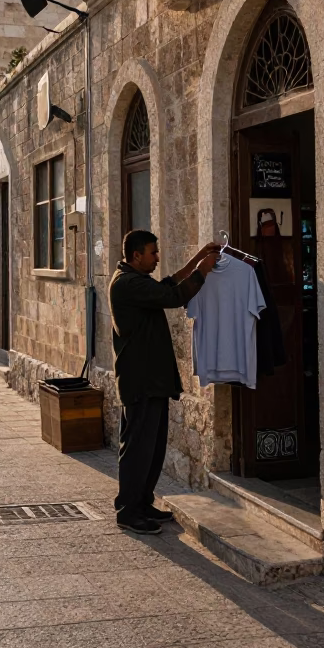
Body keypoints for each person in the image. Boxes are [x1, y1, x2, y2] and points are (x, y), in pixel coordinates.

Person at [108, 230, 220, 536]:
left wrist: (197, 259)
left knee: (152, 449)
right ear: (136, 256)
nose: (157, 258)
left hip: (151, 381)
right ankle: (128, 512)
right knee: (138, 450)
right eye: (153, 253)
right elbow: (172, 296)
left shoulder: (136, 280)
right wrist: (203, 272)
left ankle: (142, 503)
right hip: (140, 381)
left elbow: (167, 284)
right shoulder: (127, 284)